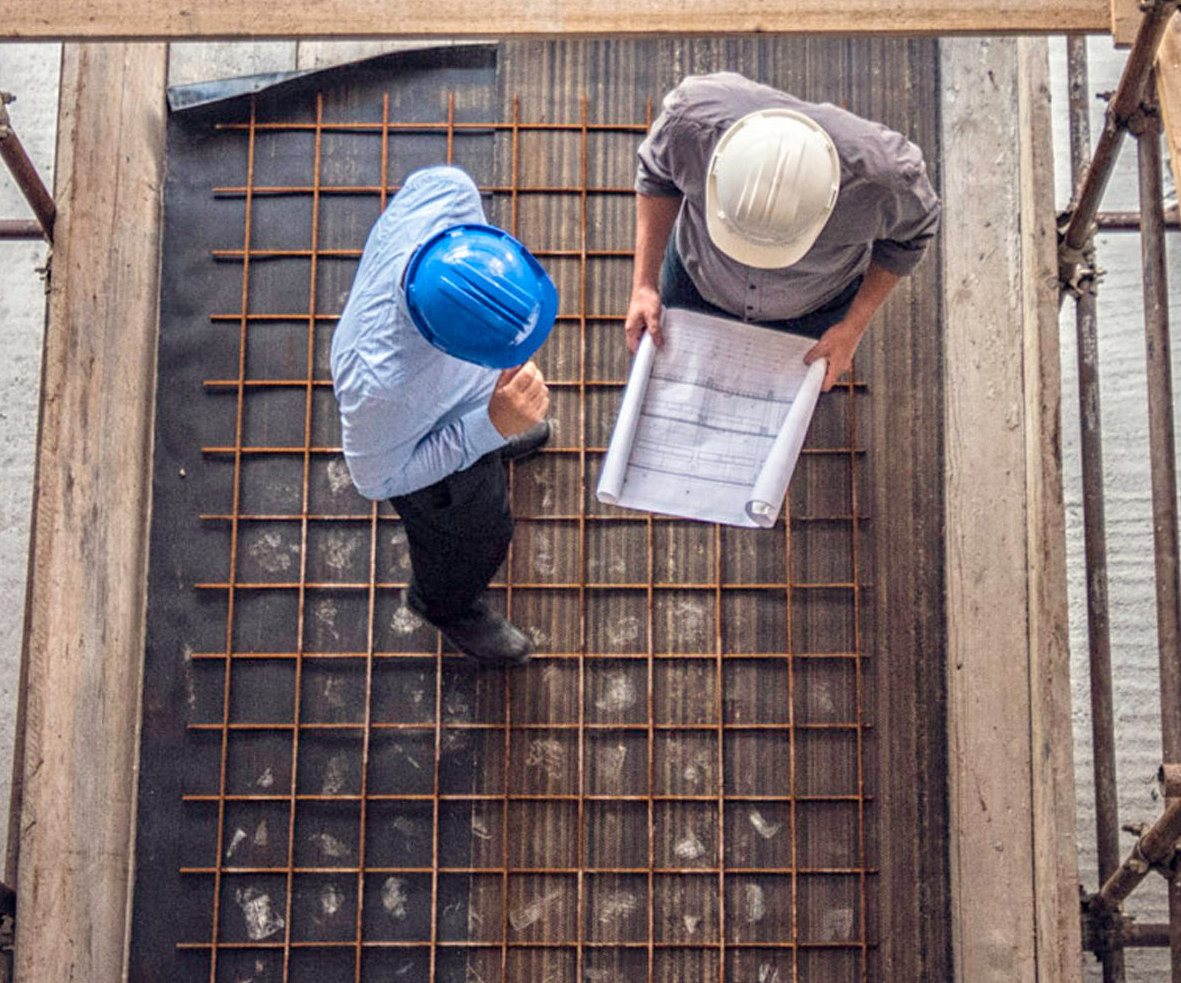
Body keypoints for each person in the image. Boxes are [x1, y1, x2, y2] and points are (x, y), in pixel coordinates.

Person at [330, 167, 560, 668]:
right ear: (448, 349)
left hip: (461, 403)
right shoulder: (382, 389)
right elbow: (376, 478)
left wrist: (495, 411)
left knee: (498, 437)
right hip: (422, 445)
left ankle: (498, 436)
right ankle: (445, 606)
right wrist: (488, 428)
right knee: (480, 535)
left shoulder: (446, 192)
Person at [624, 72, 942, 383]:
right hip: (695, 283)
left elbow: (912, 237)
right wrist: (644, 286)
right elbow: (656, 176)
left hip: (812, 310)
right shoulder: (690, 125)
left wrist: (851, 328)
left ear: (829, 202)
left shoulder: (886, 181)